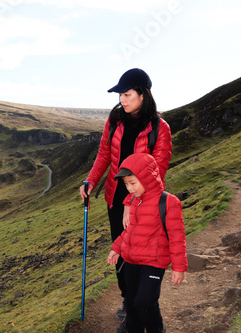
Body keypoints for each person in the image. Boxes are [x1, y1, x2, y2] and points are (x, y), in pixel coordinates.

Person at [80, 68, 172, 320]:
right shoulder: (115, 120)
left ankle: (142, 301)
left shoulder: (159, 128)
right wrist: (90, 180)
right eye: (120, 94)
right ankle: (126, 297)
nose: (122, 99)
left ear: (143, 95)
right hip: (114, 197)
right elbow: (104, 154)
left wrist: (132, 202)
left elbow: (157, 173)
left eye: (128, 94)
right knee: (121, 250)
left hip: (144, 201)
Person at [107, 153, 188, 333]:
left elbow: (177, 236)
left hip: (154, 262)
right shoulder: (136, 200)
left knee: (145, 301)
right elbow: (131, 230)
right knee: (130, 300)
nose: (129, 188)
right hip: (131, 260)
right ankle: (133, 328)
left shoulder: (169, 202)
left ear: (147, 177)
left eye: (133, 183)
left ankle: (156, 329)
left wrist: (179, 267)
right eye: (126, 184)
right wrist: (116, 249)